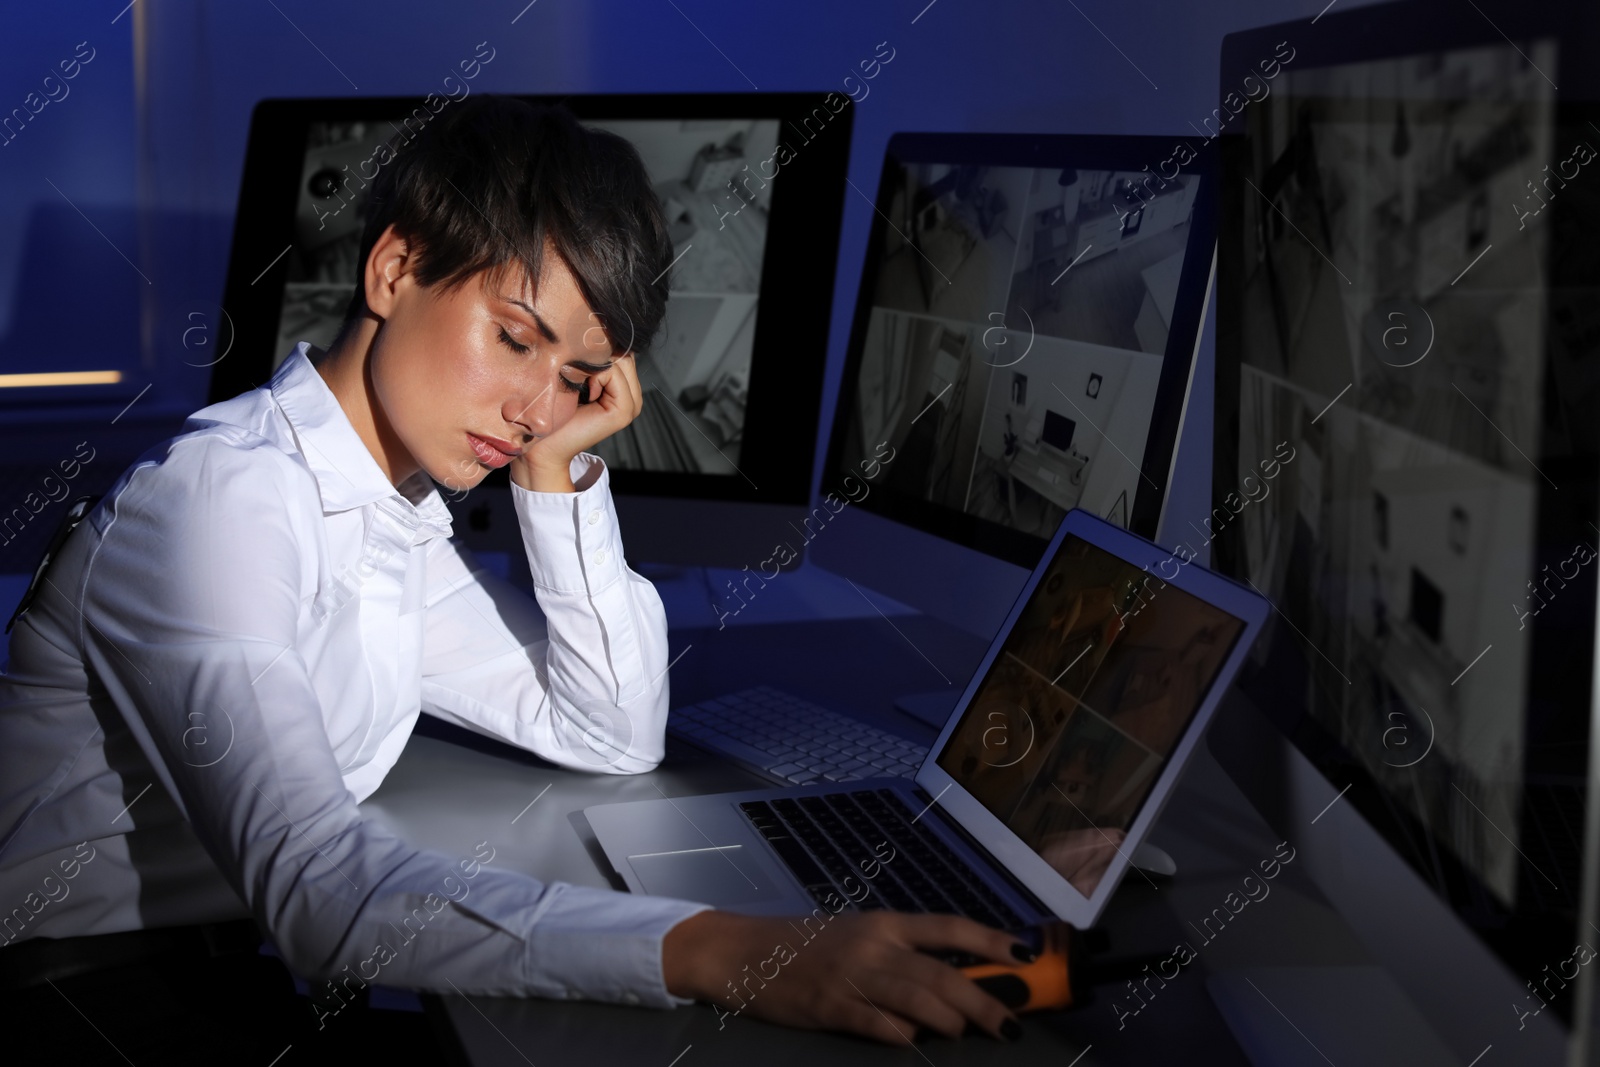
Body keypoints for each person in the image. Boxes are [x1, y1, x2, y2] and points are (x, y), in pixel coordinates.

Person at [0, 95, 1029, 1062]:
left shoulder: (385, 515)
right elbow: (321, 895)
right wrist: (723, 950)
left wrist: (558, 472)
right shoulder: (220, 503)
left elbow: (610, 731)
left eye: (576, 377)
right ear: (394, 270)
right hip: (74, 994)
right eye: (515, 337)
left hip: (228, 968)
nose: (540, 405)